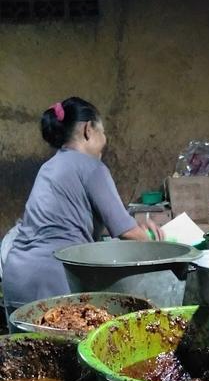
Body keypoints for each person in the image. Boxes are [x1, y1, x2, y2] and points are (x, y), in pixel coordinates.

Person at [2, 96, 163, 317]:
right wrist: (156, 245)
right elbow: (129, 234)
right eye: (103, 132)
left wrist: (133, 227)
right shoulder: (92, 167)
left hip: (15, 279)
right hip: (53, 283)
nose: (105, 140)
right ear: (89, 130)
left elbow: (72, 218)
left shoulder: (48, 167)